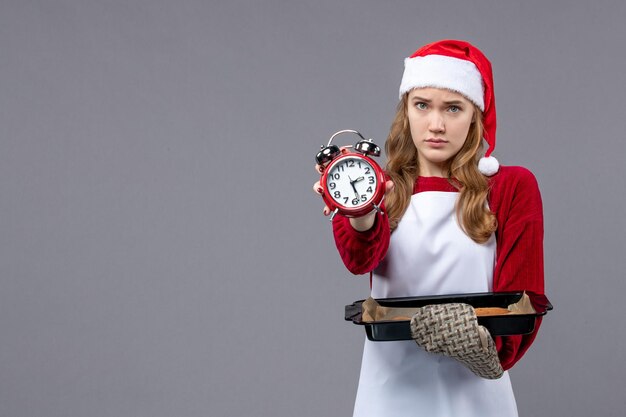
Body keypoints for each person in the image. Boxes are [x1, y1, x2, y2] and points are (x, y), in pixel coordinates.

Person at [314, 40, 544, 417]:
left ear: (476, 115)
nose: (436, 125)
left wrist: (482, 349)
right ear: (406, 109)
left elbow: (523, 298)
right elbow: (359, 261)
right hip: (390, 391)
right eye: (422, 105)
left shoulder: (510, 187)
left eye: (453, 108)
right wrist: (360, 212)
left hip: (475, 391)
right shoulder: (373, 184)